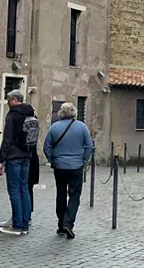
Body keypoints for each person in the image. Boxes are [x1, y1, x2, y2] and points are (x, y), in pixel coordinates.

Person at [43, 102, 93, 240]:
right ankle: (68, 223)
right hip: (76, 166)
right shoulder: (82, 127)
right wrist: (84, 160)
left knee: (60, 194)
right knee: (74, 195)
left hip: (59, 166)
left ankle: (60, 224)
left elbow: (46, 147)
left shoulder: (54, 128)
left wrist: (52, 160)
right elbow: (89, 146)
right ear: (74, 112)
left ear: (61, 113)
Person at [0, 89, 34, 236]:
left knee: (14, 190)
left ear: (13, 100)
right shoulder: (31, 112)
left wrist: (1, 159)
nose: (7, 103)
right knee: (24, 188)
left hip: (14, 156)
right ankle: (25, 224)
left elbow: (7, 138)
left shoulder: (12, 115)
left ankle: (17, 225)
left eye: (8, 100)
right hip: (27, 154)